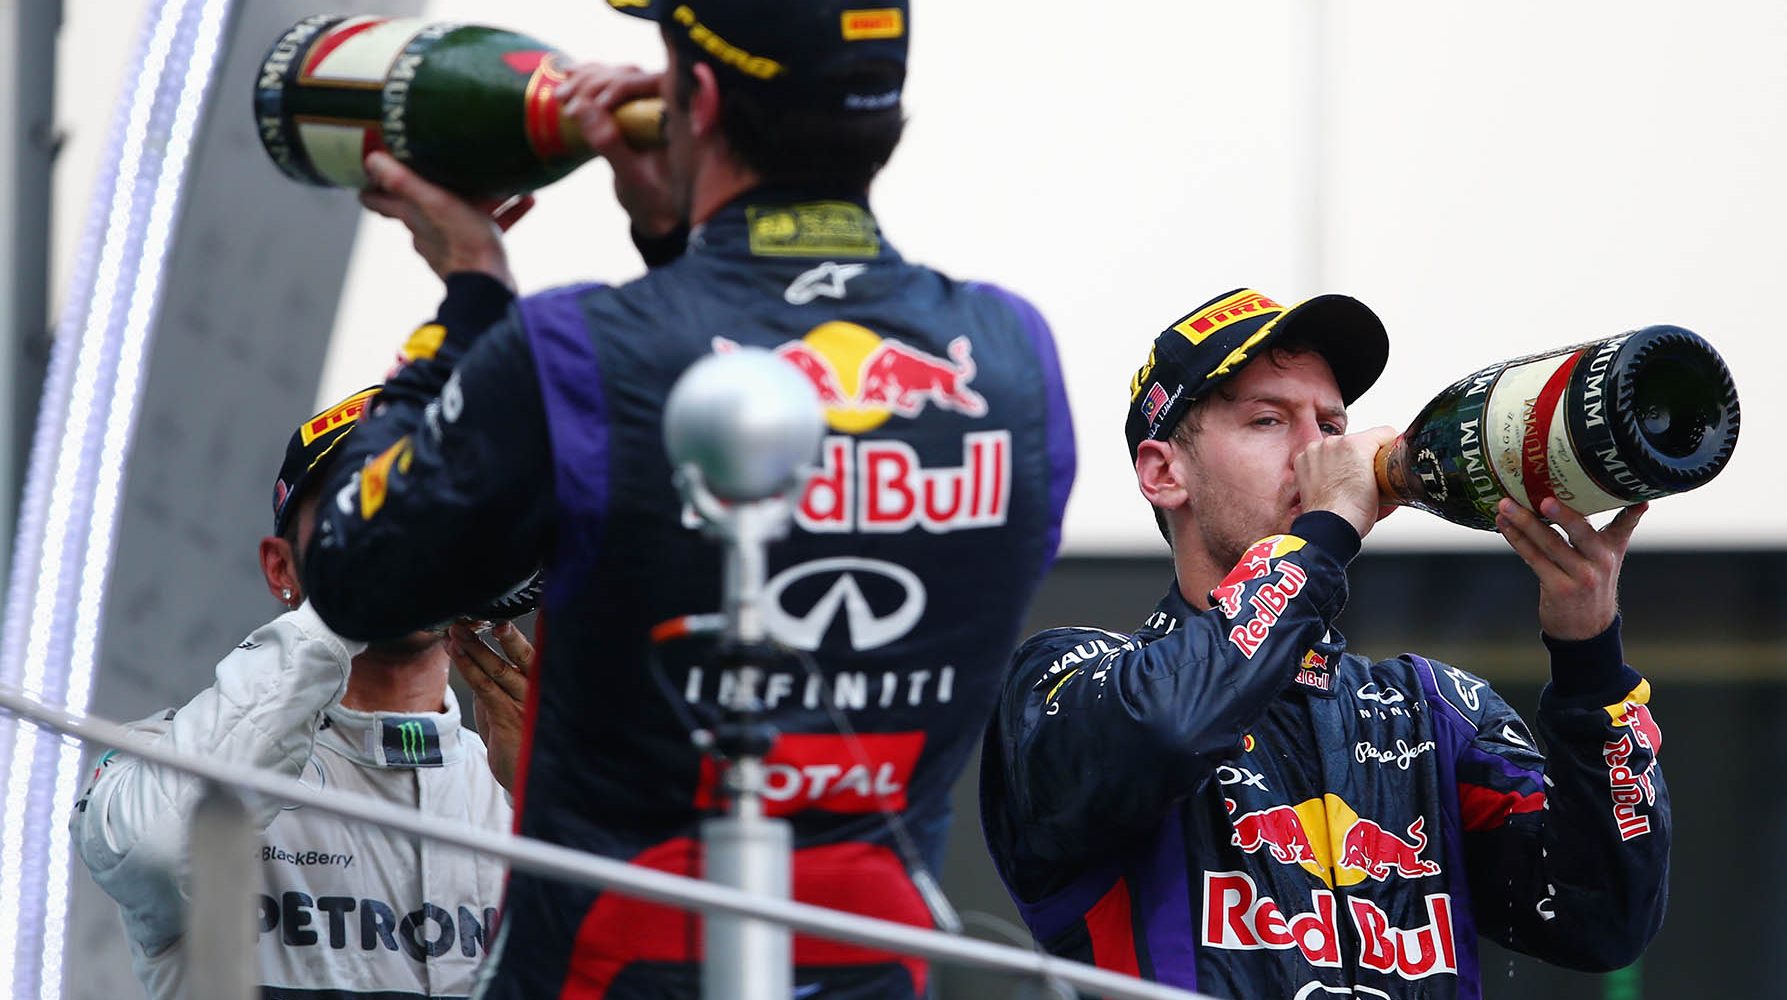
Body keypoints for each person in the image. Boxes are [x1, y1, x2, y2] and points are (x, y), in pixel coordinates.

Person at [296, 1, 1075, 997]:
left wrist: (472, 293)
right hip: (879, 969)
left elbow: (356, 573)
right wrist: (678, 242)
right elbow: (755, 403)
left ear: (693, 99)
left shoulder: (578, 348)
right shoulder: (1016, 361)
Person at [979, 289, 1670, 997]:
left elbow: (1603, 919)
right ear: (1164, 473)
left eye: (1333, 424)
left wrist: (1589, 654)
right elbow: (1169, 729)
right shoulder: (1066, 677)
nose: (1319, 452)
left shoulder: (1437, 711)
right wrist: (1326, 529)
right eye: (1269, 420)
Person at [70, 388, 531, 999]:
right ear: (281, 568)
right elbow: (158, 854)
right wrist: (347, 603)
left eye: (435, 503)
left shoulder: (519, 780)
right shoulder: (157, 755)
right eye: (361, 505)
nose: (409, 532)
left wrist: (558, 806)